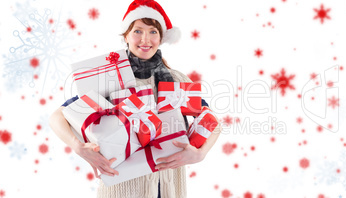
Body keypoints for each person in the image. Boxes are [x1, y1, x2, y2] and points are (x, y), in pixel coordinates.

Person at [49, 0, 221, 197]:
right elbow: (58, 115)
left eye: (153, 31)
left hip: (167, 188)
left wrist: (201, 153)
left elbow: (212, 121)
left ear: (162, 37)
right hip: (122, 190)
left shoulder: (177, 79)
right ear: (126, 36)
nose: (145, 39)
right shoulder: (112, 77)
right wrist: (78, 147)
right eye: (138, 31)